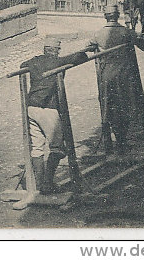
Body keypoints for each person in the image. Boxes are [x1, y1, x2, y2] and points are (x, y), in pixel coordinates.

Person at [83, 4, 144, 158]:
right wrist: (142, 37)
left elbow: (87, 48)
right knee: (126, 106)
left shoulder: (98, 34)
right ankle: (122, 141)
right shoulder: (126, 32)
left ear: (105, 16)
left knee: (111, 106)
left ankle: (116, 140)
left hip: (107, 77)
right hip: (126, 77)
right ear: (118, 16)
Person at [21, 38, 88, 194]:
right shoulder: (58, 62)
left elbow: (22, 66)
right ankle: (47, 183)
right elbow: (81, 57)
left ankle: (38, 183)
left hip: (31, 108)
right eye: (58, 50)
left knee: (37, 148)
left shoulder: (34, 61)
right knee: (58, 148)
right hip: (48, 109)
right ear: (55, 50)